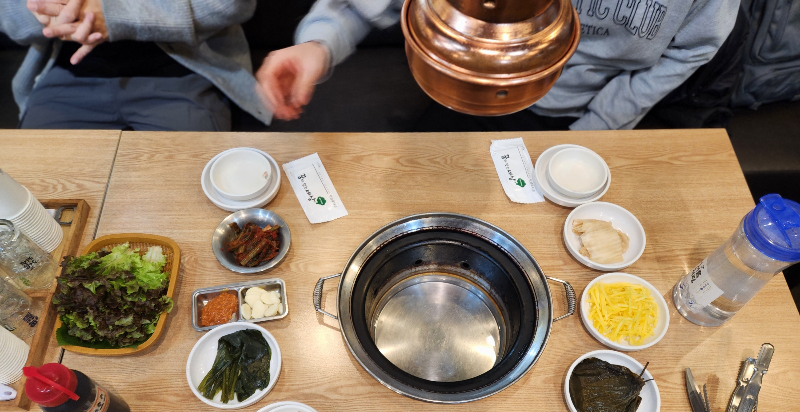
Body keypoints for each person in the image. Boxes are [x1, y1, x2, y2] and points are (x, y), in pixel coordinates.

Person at [256, 0, 738, 131]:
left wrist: (598, 127)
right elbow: (364, 6)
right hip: (462, 91)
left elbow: (692, 48)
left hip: (580, 114)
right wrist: (318, 44)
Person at [0, 0, 272, 131]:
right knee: (34, 198)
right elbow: (9, 17)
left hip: (182, 75)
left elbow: (230, 5)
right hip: (66, 77)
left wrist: (114, 15)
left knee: (185, 194)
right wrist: (44, 10)